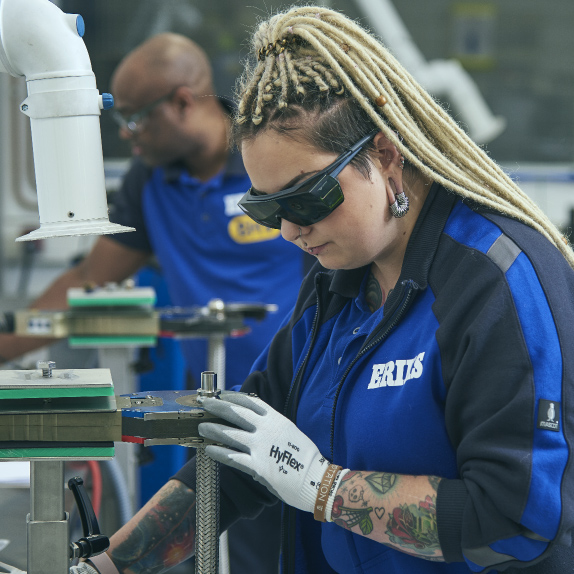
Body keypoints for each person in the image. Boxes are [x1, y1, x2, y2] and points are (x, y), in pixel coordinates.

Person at [73, 7, 574, 574]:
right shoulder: (339, 281)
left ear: (384, 156)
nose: (289, 230)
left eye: (305, 198)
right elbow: (243, 450)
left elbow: (519, 519)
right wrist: (106, 567)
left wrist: (324, 489)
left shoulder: (497, 281)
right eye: (268, 208)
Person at [0, 33, 313, 574]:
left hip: (307, 408)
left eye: (137, 119)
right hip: (217, 422)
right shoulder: (150, 184)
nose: (127, 136)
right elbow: (87, 282)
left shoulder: (275, 158)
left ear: (184, 102)